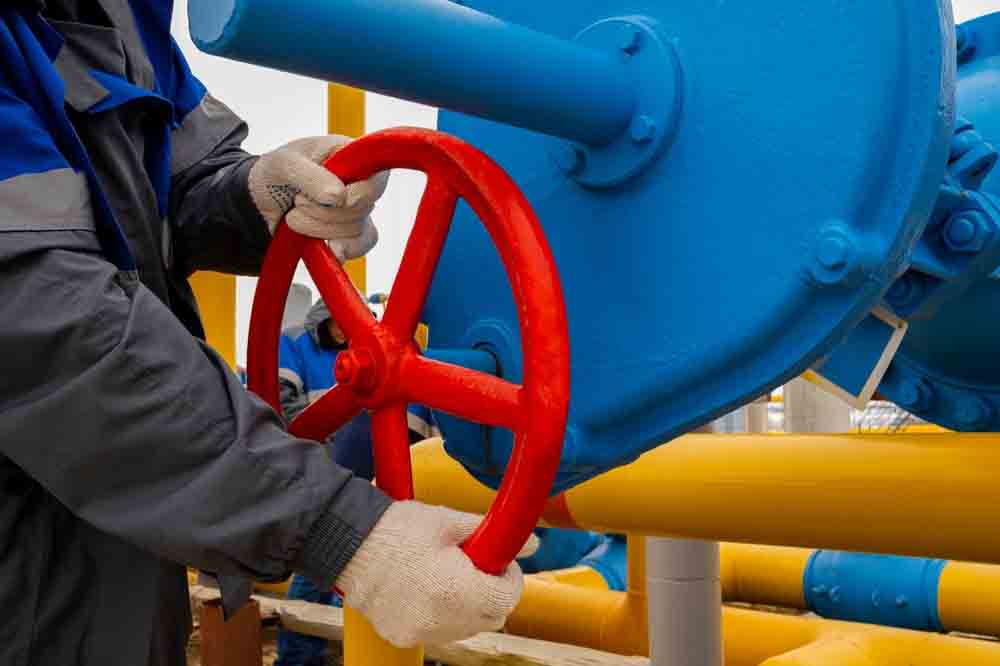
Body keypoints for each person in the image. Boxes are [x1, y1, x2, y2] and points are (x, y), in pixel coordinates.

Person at [0, 2, 531, 664]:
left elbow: (174, 183)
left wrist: (250, 197)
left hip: (118, 535)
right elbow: (48, 328)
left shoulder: (123, 18)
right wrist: (337, 528)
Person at [275, 300, 440, 666]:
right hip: (326, 470)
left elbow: (430, 423)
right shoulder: (298, 345)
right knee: (322, 559)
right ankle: (298, 658)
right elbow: (282, 405)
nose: (343, 331)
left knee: (360, 564)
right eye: (338, 324)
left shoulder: (404, 357)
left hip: (388, 472)